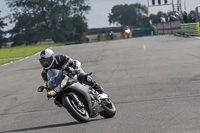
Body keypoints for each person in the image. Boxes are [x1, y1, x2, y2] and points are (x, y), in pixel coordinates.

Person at [38, 48, 108, 100]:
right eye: (43, 61)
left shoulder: (60, 58)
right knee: (56, 99)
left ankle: (100, 91)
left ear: (51, 58)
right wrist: (48, 90)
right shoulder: (44, 73)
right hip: (62, 83)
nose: (45, 63)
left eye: (46, 60)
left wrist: (76, 69)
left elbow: (74, 61)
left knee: (85, 77)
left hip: (72, 74)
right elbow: (47, 83)